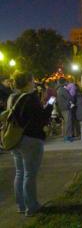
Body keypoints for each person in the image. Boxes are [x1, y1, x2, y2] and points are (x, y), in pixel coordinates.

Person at [9, 71, 53, 217]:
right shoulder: (30, 98)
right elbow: (42, 119)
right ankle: (32, 206)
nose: (34, 82)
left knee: (20, 172)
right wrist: (51, 103)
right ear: (28, 82)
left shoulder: (12, 97)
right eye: (33, 80)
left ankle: (21, 205)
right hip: (31, 140)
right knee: (29, 174)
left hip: (15, 139)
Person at [56, 78, 73, 142]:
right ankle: (67, 137)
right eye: (66, 82)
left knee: (66, 122)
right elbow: (69, 97)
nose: (67, 83)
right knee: (68, 123)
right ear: (64, 82)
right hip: (66, 108)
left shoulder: (59, 89)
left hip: (62, 108)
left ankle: (67, 136)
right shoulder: (63, 90)